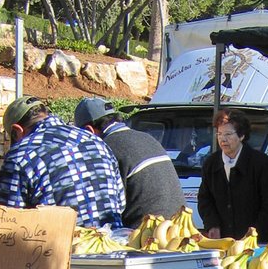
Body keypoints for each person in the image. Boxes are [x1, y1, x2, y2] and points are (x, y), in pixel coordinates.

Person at [0, 95, 125, 228]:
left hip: (60, 247)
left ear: (17, 130)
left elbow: (8, 225)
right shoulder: (97, 141)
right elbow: (120, 204)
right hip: (112, 243)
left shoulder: (20, 155)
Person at [74, 97, 186, 228]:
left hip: (147, 235)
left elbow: (103, 207)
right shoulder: (147, 138)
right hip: (181, 227)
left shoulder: (104, 149)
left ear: (89, 131)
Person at [197, 109, 268, 242]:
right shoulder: (211, 163)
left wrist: (255, 231)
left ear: (241, 136)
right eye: (219, 134)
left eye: (228, 134)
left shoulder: (260, 163)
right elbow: (205, 199)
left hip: (256, 241)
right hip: (222, 240)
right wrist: (212, 224)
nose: (223, 139)